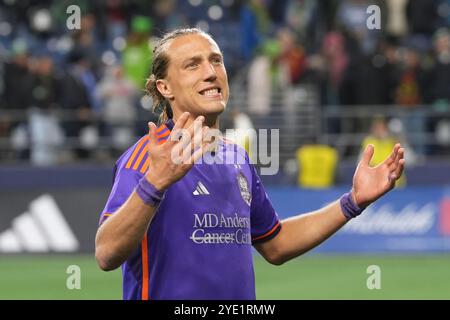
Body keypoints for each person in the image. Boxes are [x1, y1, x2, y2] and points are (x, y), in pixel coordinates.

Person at [95, 28, 405, 300]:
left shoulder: (235, 157)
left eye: (216, 60)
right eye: (193, 65)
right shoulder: (146, 158)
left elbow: (276, 243)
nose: (211, 72)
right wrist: (155, 183)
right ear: (165, 87)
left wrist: (352, 202)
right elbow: (106, 253)